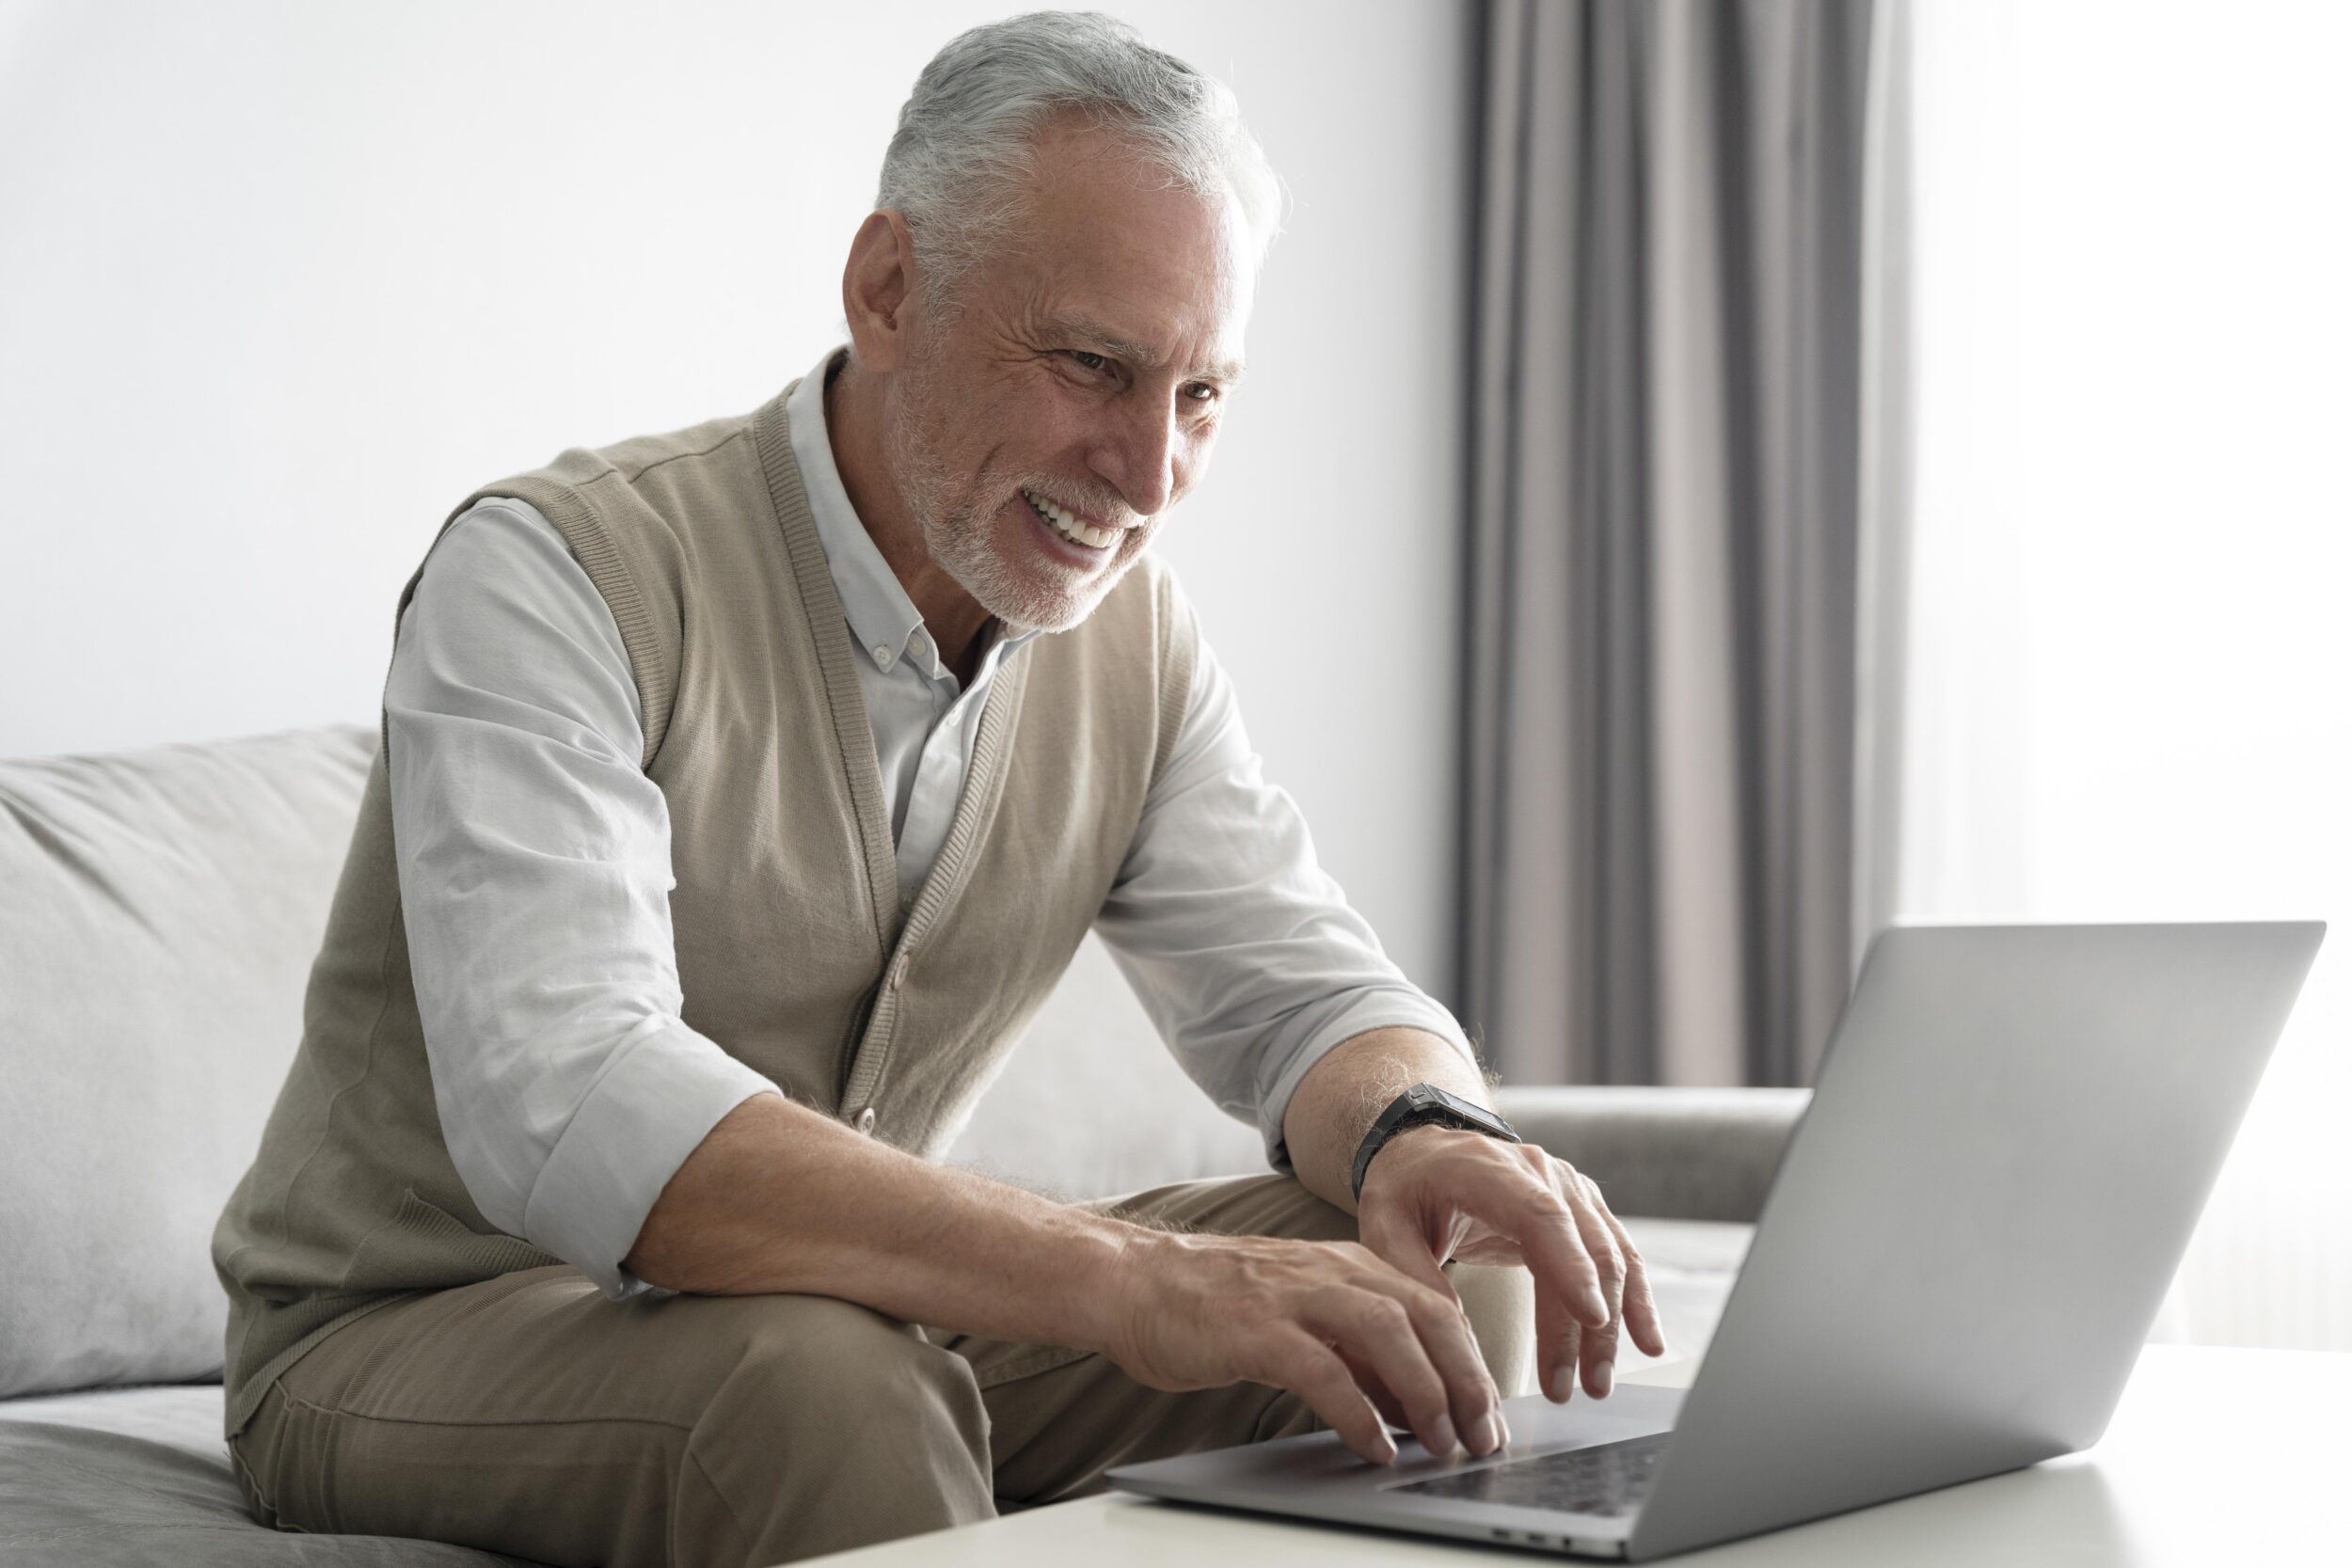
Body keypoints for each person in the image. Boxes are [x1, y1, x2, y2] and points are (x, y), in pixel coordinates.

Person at [212, 12, 1664, 1565]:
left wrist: (1421, 1130)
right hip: (424, 1333)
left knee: (1432, 1275)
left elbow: (1304, 987)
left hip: (841, 1316)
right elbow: (575, 1107)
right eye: (1097, 366)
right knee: (828, 1395)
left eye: (1200, 397)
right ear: (890, 288)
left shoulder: (1132, 644)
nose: (1148, 476)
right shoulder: (559, 572)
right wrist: (1134, 1281)